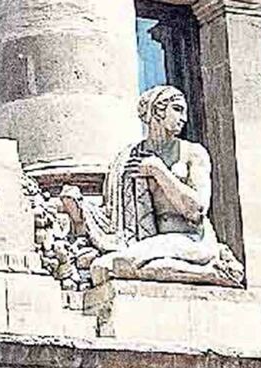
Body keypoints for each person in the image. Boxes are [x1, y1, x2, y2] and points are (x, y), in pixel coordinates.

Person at [61, 85, 245, 286]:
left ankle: (212, 271)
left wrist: (158, 171)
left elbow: (197, 210)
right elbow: (115, 215)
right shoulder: (129, 157)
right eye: (177, 109)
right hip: (152, 242)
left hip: (191, 239)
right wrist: (82, 210)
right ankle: (209, 273)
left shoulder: (193, 153)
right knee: (106, 266)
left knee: (107, 266)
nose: (184, 118)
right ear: (157, 111)